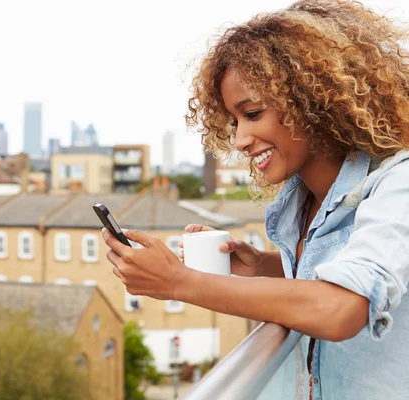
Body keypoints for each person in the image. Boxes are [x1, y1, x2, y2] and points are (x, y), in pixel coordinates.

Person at [102, 1, 409, 399]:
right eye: (234, 121)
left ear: (313, 101)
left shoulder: (398, 184)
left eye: (252, 113)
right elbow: (329, 276)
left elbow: (343, 308)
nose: (240, 140)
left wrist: (179, 283)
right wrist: (261, 267)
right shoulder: (300, 201)